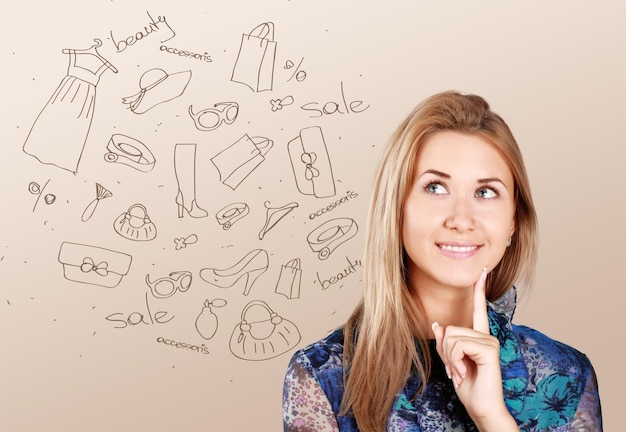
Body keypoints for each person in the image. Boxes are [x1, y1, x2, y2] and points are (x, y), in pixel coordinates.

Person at [282, 91, 602, 431]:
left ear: (513, 221)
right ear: (396, 209)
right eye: (435, 187)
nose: (462, 219)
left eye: (485, 192)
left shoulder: (566, 375)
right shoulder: (322, 376)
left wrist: (492, 418)